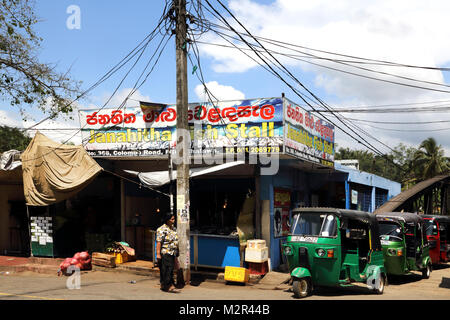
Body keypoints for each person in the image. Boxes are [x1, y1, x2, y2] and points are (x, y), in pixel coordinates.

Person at [156, 212, 180, 293]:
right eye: (172, 219)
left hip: (172, 252)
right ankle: (168, 285)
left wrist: (177, 252)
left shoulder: (173, 228)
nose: (173, 220)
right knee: (167, 270)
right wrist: (158, 254)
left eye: (174, 219)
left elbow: (176, 241)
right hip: (165, 252)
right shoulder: (161, 229)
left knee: (170, 269)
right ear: (167, 220)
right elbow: (159, 242)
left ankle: (165, 284)